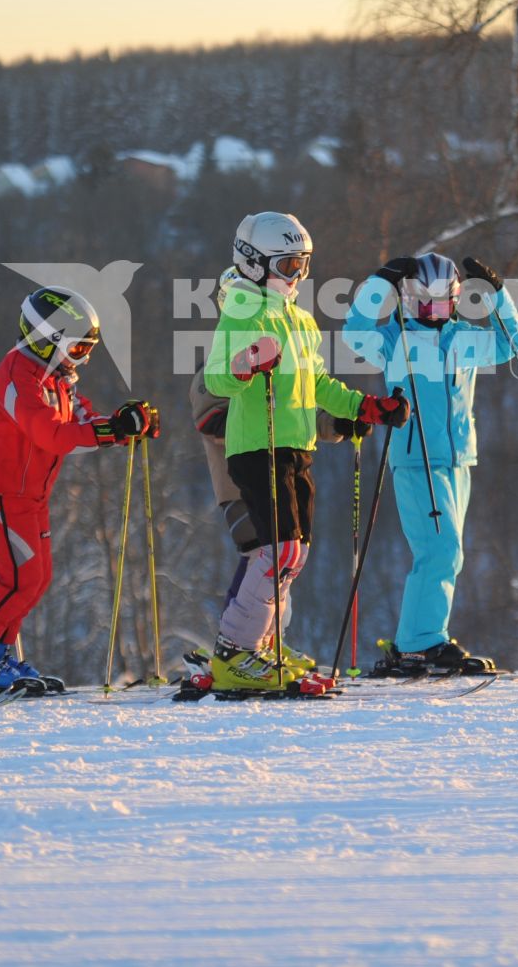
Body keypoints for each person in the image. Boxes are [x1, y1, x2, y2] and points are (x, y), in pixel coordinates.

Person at [201, 212, 410, 694]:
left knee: (295, 554)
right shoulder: (241, 312)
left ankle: (263, 644)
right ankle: (235, 651)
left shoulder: (298, 319)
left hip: (297, 444)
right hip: (257, 444)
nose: (297, 277)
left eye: (303, 266)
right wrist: (246, 363)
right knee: (279, 550)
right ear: (253, 263)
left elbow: (316, 383)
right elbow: (217, 378)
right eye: (288, 265)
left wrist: (366, 406)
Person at [0, 286, 159, 690]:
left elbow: (83, 417)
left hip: (30, 494)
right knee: (17, 578)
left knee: (36, 578)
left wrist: (124, 426)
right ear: (48, 340)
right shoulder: (16, 376)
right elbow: (52, 434)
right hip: (1, 490)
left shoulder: (57, 379)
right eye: (78, 349)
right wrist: (110, 430)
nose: (82, 358)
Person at [344, 252, 518, 674]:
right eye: (425, 302)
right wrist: (378, 282)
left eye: (443, 303)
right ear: (408, 299)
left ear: (456, 300)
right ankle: (420, 642)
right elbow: (353, 333)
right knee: (440, 550)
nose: (433, 312)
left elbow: (512, 343)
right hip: (414, 457)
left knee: (448, 555)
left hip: (459, 459)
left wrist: (498, 294)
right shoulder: (394, 340)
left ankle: (419, 639)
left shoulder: (463, 338)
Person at [188, 272, 360, 679]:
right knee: (264, 556)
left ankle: (262, 642)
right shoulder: (216, 365)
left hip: (276, 465)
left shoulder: (277, 346)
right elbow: (211, 420)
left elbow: (295, 409)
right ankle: (233, 647)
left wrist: (335, 424)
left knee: (286, 557)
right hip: (236, 485)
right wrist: (252, 386)